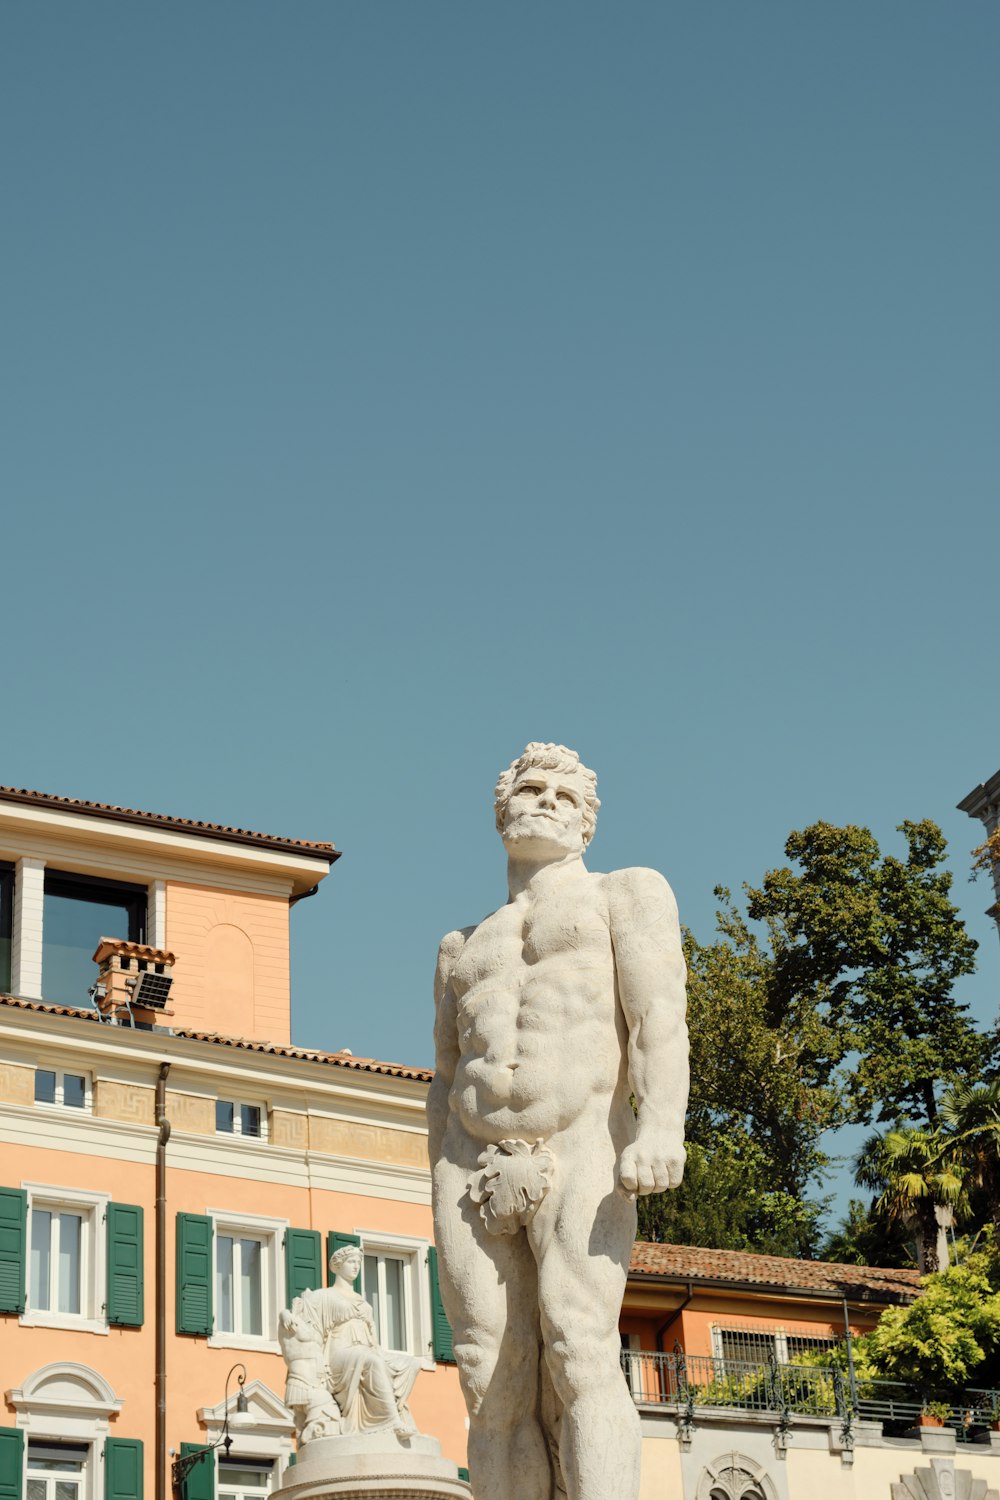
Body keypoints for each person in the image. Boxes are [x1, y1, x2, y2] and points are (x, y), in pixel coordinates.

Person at [428, 743, 688, 1500]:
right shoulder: (458, 947)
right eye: (528, 789)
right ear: (500, 809)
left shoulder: (625, 893)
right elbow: (444, 1078)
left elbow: (658, 1017)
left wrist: (662, 1122)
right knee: (487, 1371)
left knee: (578, 1346)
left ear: (586, 825)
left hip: (579, 1138)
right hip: (467, 1155)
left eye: (562, 796)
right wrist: (438, 1170)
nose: (542, 802)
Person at [298, 1245, 421, 1436]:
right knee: (372, 1361)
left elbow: (373, 1337)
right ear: (338, 1266)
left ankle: (392, 1408)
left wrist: (377, 1349)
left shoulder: (362, 1300)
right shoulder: (323, 1296)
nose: (356, 1266)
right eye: (351, 1262)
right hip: (340, 1353)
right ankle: (391, 1421)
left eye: (358, 1262)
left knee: (412, 1363)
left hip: (367, 1349)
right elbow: (308, 1329)